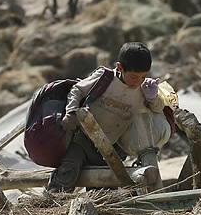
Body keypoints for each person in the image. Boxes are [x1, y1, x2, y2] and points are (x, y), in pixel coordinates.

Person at [47, 42, 171, 192]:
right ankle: (50, 206)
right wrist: (71, 112)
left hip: (111, 150)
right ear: (119, 68)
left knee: (103, 190)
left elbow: (157, 109)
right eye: (133, 77)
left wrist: (152, 96)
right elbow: (77, 90)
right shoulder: (104, 78)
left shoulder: (143, 89)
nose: (138, 81)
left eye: (143, 76)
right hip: (84, 140)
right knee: (66, 173)